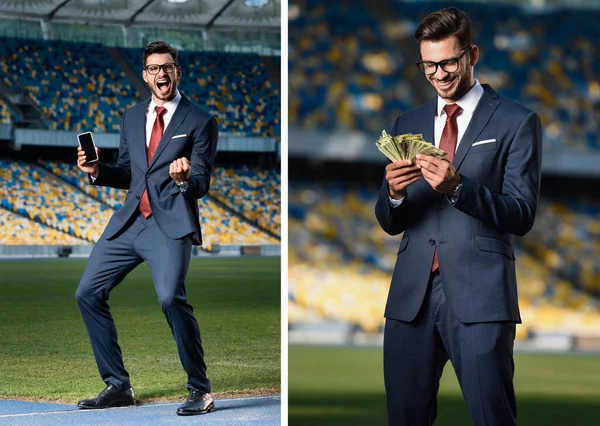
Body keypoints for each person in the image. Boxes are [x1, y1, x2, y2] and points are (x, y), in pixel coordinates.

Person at [374, 7, 542, 426]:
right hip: (409, 298)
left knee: (492, 418)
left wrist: (459, 187)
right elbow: (391, 221)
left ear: (472, 54)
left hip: (481, 297)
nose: (439, 74)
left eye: (448, 62)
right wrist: (393, 193)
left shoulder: (516, 121)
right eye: (428, 65)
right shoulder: (407, 122)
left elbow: (521, 214)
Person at [75, 40, 218, 416]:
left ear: (177, 72)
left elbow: (201, 182)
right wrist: (96, 172)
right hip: (129, 223)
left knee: (171, 299)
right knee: (87, 293)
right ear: (145, 75)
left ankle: (200, 390)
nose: (161, 74)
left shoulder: (201, 120)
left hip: (169, 225)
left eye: (167, 67)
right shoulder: (131, 115)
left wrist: (186, 178)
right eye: (154, 68)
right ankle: (117, 386)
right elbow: (128, 173)